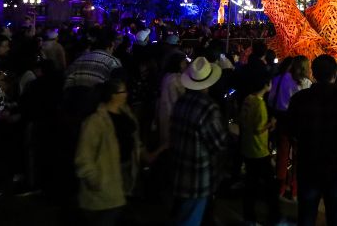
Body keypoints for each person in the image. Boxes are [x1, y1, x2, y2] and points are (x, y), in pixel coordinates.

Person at [287, 54, 337, 226]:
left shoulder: (299, 99)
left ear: (313, 73)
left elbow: (290, 129)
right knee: (335, 216)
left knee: (306, 215)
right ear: (334, 75)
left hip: (309, 165)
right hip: (336, 166)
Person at [74, 79, 163, 226]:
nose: (127, 94)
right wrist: (96, 181)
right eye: (123, 91)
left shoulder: (126, 114)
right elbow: (83, 157)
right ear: (113, 95)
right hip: (105, 182)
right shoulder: (95, 122)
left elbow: (135, 140)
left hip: (125, 177)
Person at [170, 57, 229, 226]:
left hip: (179, 169)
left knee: (181, 213)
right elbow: (218, 144)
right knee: (190, 219)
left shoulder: (181, 102)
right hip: (198, 176)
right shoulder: (208, 107)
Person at [240, 66, 282, 225]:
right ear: (266, 85)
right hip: (259, 151)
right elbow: (258, 129)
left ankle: (249, 217)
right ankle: (274, 217)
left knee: (250, 184)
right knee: (270, 187)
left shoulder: (247, 99)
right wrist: (271, 124)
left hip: (247, 147)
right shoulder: (260, 105)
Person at [268, 55, 312, 198]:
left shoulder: (279, 79)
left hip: (283, 119)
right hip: (300, 122)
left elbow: (271, 100)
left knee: (282, 155)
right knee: (299, 157)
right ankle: (294, 188)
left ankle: (280, 186)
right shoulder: (306, 83)